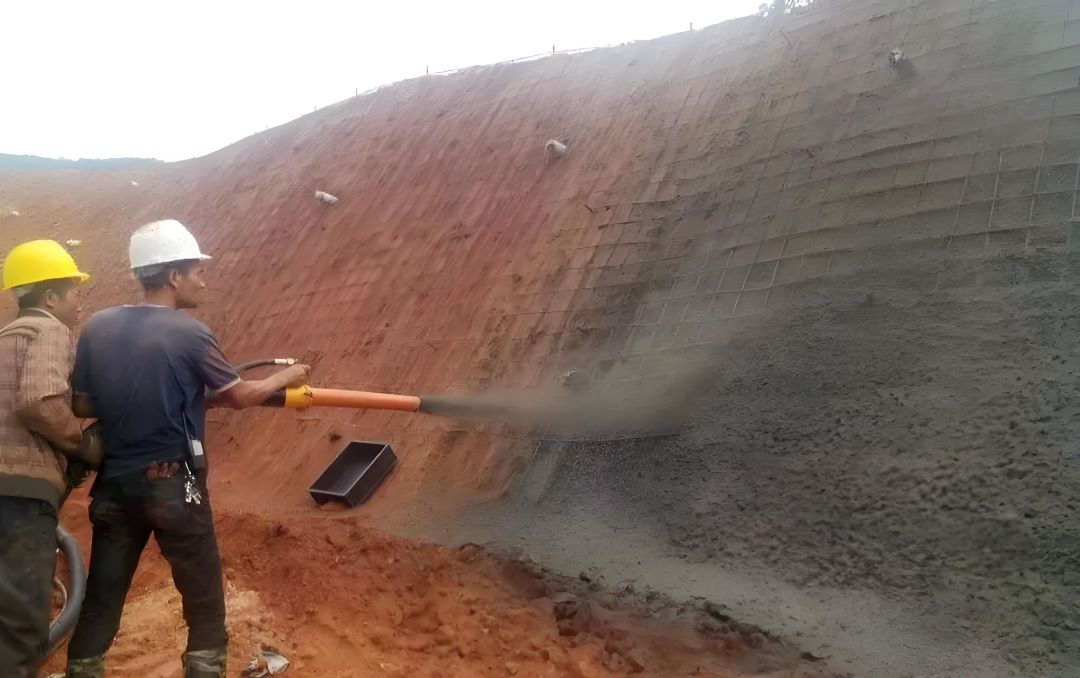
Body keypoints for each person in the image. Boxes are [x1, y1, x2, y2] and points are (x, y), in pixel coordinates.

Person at [65, 220, 310, 678]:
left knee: (102, 596)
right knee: (202, 597)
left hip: (115, 487)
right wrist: (287, 376)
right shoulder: (189, 332)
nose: (204, 281)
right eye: (198, 271)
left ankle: (82, 668)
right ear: (174, 276)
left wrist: (156, 398)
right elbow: (239, 395)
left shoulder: (98, 326)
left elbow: (82, 403)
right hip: (175, 485)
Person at [0, 239, 98, 677]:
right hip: (19, 499)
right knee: (20, 625)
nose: (79, 301)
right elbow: (38, 402)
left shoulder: (5, 339)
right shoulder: (50, 332)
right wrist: (80, 443)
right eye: (74, 291)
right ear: (51, 297)